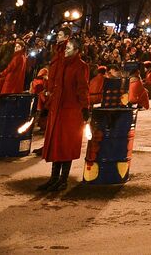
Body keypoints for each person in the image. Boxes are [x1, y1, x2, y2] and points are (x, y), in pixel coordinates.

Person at [38, 31, 90, 192]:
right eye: (66, 47)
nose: (66, 50)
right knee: (56, 145)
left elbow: (82, 89)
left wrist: (85, 108)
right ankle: (54, 178)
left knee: (66, 146)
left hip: (71, 111)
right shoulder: (62, 63)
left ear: (77, 51)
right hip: (58, 109)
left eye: (69, 48)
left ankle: (63, 180)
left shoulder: (81, 66)